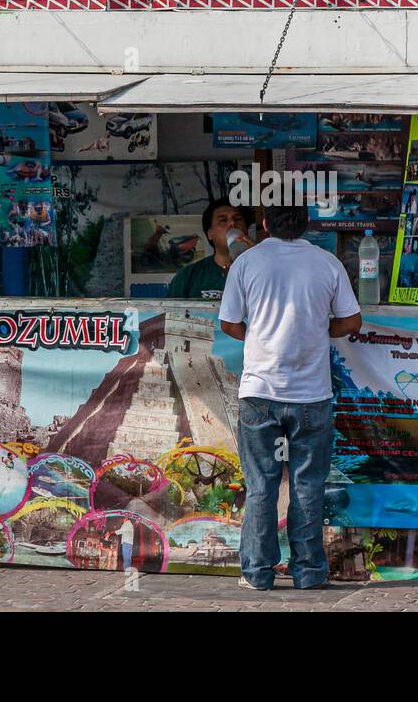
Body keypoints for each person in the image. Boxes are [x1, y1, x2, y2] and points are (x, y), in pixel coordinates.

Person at [219, 204, 363, 590]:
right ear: (306, 227)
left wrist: (258, 337)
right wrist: (317, 330)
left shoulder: (246, 263)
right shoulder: (326, 263)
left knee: (261, 484)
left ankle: (257, 573)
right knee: (307, 484)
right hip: (312, 394)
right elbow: (351, 321)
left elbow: (229, 323)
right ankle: (309, 572)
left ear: (264, 225)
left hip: (259, 392)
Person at [166, 198, 255, 300]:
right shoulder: (188, 276)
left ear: (246, 230)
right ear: (210, 234)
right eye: (223, 220)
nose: (232, 224)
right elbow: (171, 313)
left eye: (238, 219)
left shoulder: (262, 270)